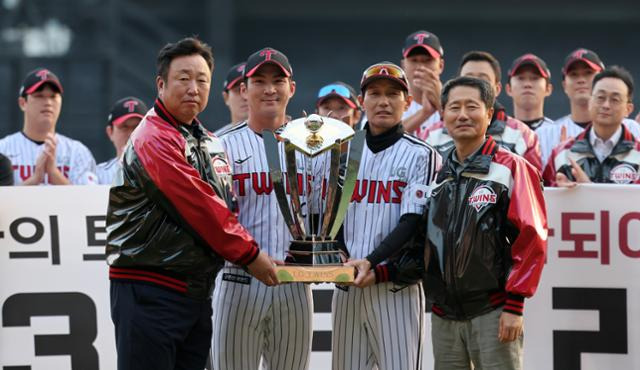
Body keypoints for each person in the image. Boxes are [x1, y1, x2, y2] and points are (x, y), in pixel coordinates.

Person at [105, 37, 277, 370]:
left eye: (202, 80)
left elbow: (225, 207)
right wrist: (251, 254)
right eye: (183, 78)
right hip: (148, 290)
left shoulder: (210, 141)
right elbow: (199, 206)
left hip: (196, 294)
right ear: (161, 83)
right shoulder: (152, 137)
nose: (193, 88)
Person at [423, 76, 547, 370]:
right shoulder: (435, 172)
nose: (462, 114)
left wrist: (515, 306)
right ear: (443, 115)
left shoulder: (512, 167)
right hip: (444, 315)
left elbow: (531, 240)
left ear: (489, 114)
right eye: (454, 107)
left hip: (493, 311)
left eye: (472, 106)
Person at [211, 47, 314, 370]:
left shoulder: (315, 146)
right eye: (260, 81)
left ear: (291, 88)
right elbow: (214, 217)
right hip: (238, 280)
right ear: (244, 89)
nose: (270, 89)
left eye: (278, 80)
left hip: (295, 282)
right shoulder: (221, 145)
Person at [334, 62, 440, 370]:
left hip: (395, 288)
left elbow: (412, 222)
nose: (384, 101)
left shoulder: (422, 154)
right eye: (375, 93)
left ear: (408, 102)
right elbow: (331, 214)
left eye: (393, 94)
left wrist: (372, 262)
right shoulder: (343, 150)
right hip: (349, 284)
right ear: (362, 101)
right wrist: (340, 255)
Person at [423, 51, 543, 171]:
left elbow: (533, 186)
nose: (475, 86)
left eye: (483, 80)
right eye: (468, 79)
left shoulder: (523, 136)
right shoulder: (431, 135)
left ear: (497, 88)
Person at [536, 48, 640, 166]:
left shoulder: (633, 129)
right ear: (564, 85)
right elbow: (538, 182)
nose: (581, 80)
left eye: (588, 73)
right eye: (574, 75)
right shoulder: (545, 134)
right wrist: (560, 160)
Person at [544, 66, 640, 186]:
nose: (606, 105)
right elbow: (542, 198)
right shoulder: (562, 153)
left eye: (615, 99)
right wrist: (558, 190)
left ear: (628, 109)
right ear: (590, 102)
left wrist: (587, 190)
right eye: (600, 97)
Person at [0, 68, 97, 185]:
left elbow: (88, 201)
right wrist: (35, 179)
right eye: (39, 96)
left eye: (53, 96)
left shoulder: (78, 152)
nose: (48, 102)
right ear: (23, 103)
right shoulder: (3, 150)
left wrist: (54, 173)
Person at [400, 30, 445, 138]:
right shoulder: (389, 101)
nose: (420, 67)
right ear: (403, 66)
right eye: (414, 60)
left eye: (427, 60)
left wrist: (441, 104)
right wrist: (424, 113)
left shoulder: (459, 101)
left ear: (441, 66)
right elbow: (373, 141)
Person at [96, 96, 148, 185]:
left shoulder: (162, 170)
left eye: (138, 127)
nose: (131, 134)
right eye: (124, 127)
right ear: (110, 132)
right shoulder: (98, 174)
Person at [505, 53, 554, 130]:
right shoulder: (494, 133)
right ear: (509, 89)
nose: (527, 84)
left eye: (535, 78)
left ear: (548, 89)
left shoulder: (558, 133)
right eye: (521, 78)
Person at [214, 62, 248, 135]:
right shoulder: (215, 142)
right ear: (226, 97)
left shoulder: (276, 137)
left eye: (248, 89)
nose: (245, 96)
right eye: (238, 90)